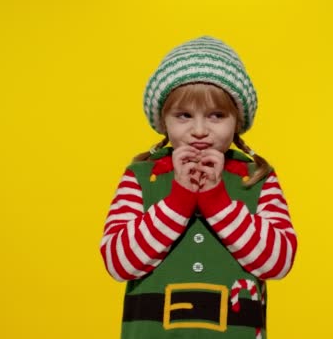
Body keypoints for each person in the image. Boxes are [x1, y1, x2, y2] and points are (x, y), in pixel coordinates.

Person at [99, 36, 297, 339]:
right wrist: (179, 197)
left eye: (217, 115)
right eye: (184, 116)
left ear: (237, 120)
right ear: (164, 120)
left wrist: (217, 200)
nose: (200, 130)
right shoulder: (142, 176)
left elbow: (278, 262)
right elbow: (118, 262)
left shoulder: (256, 178)